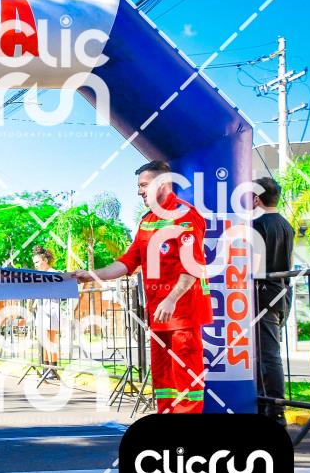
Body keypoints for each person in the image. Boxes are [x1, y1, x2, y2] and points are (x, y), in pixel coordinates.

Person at [71, 160, 212, 414]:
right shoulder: (147, 221)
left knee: (186, 379)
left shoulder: (185, 215)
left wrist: (171, 299)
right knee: (163, 379)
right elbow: (128, 261)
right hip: (158, 315)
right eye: (139, 186)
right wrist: (91, 275)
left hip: (183, 314)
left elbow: (192, 266)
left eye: (144, 185)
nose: (139, 191)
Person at [251, 177, 294, 427]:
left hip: (263, 294)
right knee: (267, 352)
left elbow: (253, 264)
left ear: (257, 199)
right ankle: (267, 404)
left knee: (267, 354)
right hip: (282, 293)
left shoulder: (256, 226)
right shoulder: (285, 225)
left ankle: (276, 410)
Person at [33, 246, 61, 366]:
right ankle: (46, 368)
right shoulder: (38, 275)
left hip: (51, 309)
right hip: (41, 309)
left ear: (45, 260)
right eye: (34, 263)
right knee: (44, 341)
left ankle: (52, 369)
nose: (35, 265)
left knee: (50, 340)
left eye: (37, 262)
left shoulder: (54, 273)